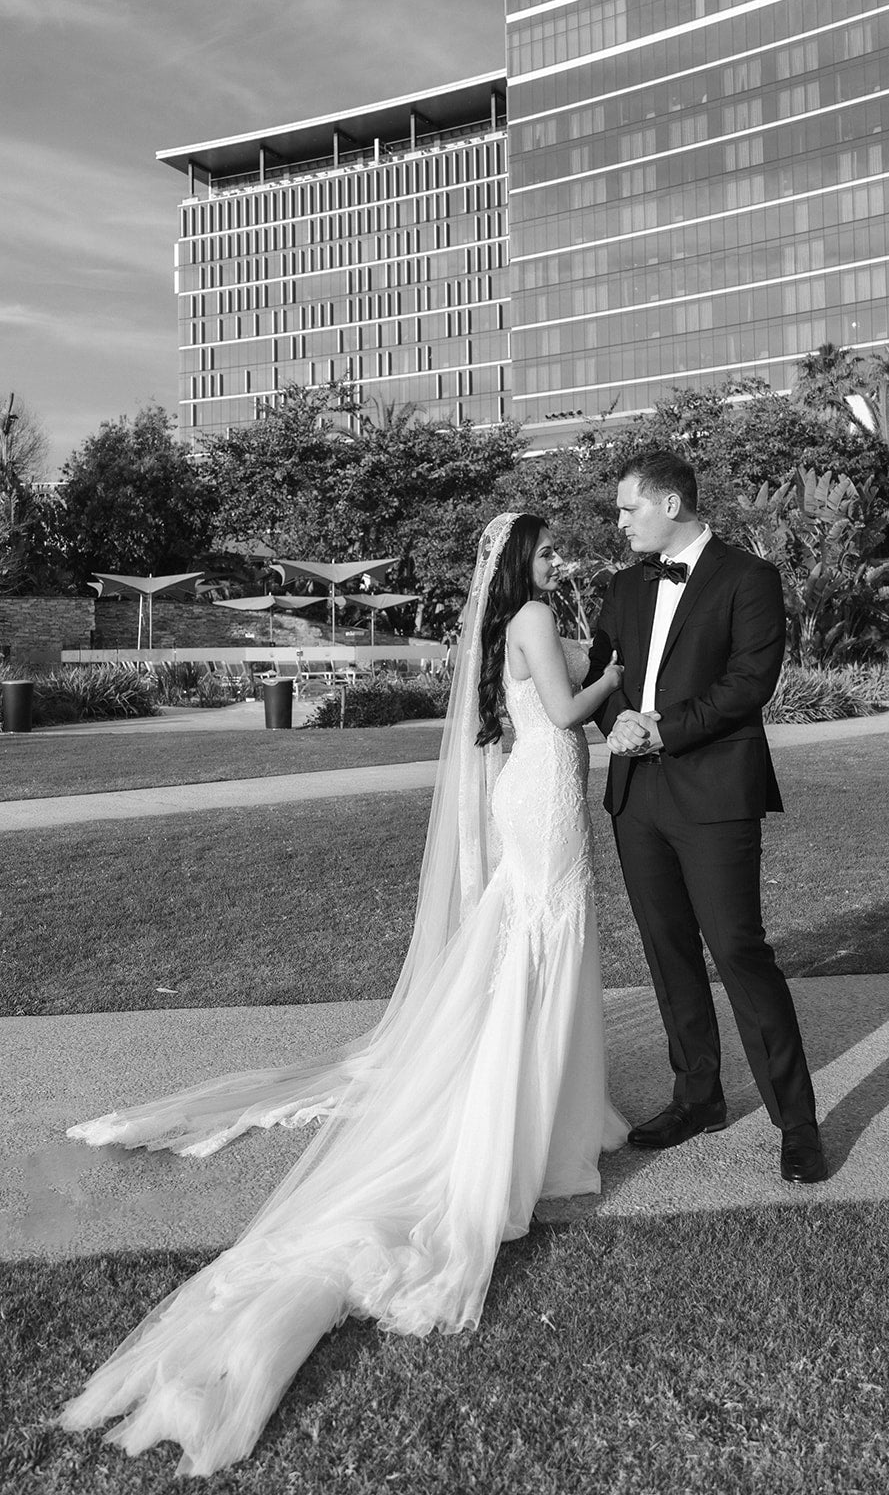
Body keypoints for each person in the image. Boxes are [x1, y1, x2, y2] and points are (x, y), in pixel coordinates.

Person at [60, 513, 628, 1477]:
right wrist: (614, 675)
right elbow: (568, 713)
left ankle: (549, 1093)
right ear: (517, 562)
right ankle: (528, 1106)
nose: (556, 559)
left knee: (532, 946)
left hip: (537, 791)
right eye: (545, 550)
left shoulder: (511, 620)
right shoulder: (533, 615)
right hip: (544, 792)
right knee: (540, 942)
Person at [585, 450, 827, 1184]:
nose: (620, 522)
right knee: (668, 953)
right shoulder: (624, 584)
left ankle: (797, 1123)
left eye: (628, 508)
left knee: (738, 951)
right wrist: (620, 723)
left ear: (669, 503)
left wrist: (661, 730)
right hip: (636, 797)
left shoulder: (749, 578)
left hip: (715, 792)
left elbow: (750, 682)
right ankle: (698, 1098)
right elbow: (600, 672)